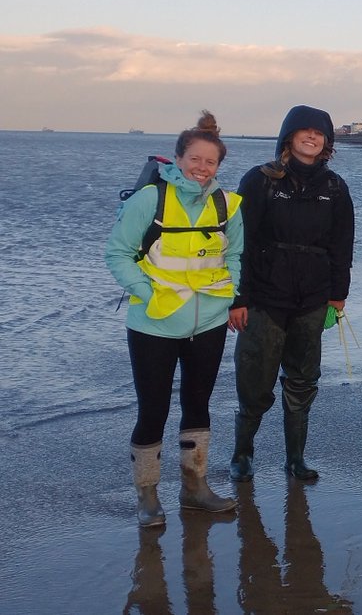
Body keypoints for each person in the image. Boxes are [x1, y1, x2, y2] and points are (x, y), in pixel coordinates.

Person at [105, 110, 242, 527]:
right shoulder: (152, 199)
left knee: (198, 404)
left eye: (211, 162)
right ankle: (147, 495)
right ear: (179, 158)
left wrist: (229, 296)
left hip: (209, 321)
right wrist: (150, 295)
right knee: (153, 409)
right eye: (195, 159)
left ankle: (194, 487)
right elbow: (118, 255)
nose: (202, 169)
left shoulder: (228, 203)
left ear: (219, 165)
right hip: (154, 323)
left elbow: (235, 255)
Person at [227, 105, 355, 482]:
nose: (312, 137)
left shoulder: (335, 187)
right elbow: (239, 244)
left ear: (327, 143)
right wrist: (239, 299)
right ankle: (242, 454)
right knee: (255, 382)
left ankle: (295, 459)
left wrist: (338, 295)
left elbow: (342, 245)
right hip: (264, 299)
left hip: (312, 300)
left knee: (302, 381)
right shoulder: (260, 181)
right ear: (289, 137)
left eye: (320, 133)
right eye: (305, 131)